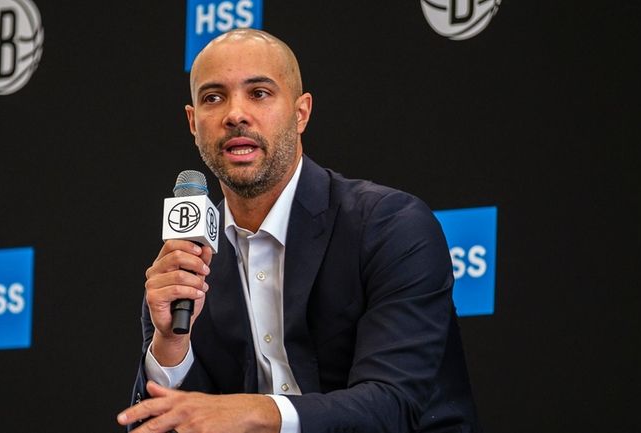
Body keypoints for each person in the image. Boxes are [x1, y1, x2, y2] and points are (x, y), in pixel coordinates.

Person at [117, 28, 480, 433]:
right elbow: (162, 425)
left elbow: (393, 407)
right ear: (193, 123)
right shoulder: (188, 261)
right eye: (213, 98)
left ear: (301, 112)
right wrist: (169, 346)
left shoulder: (390, 226)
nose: (234, 114)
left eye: (259, 93)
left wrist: (257, 412)